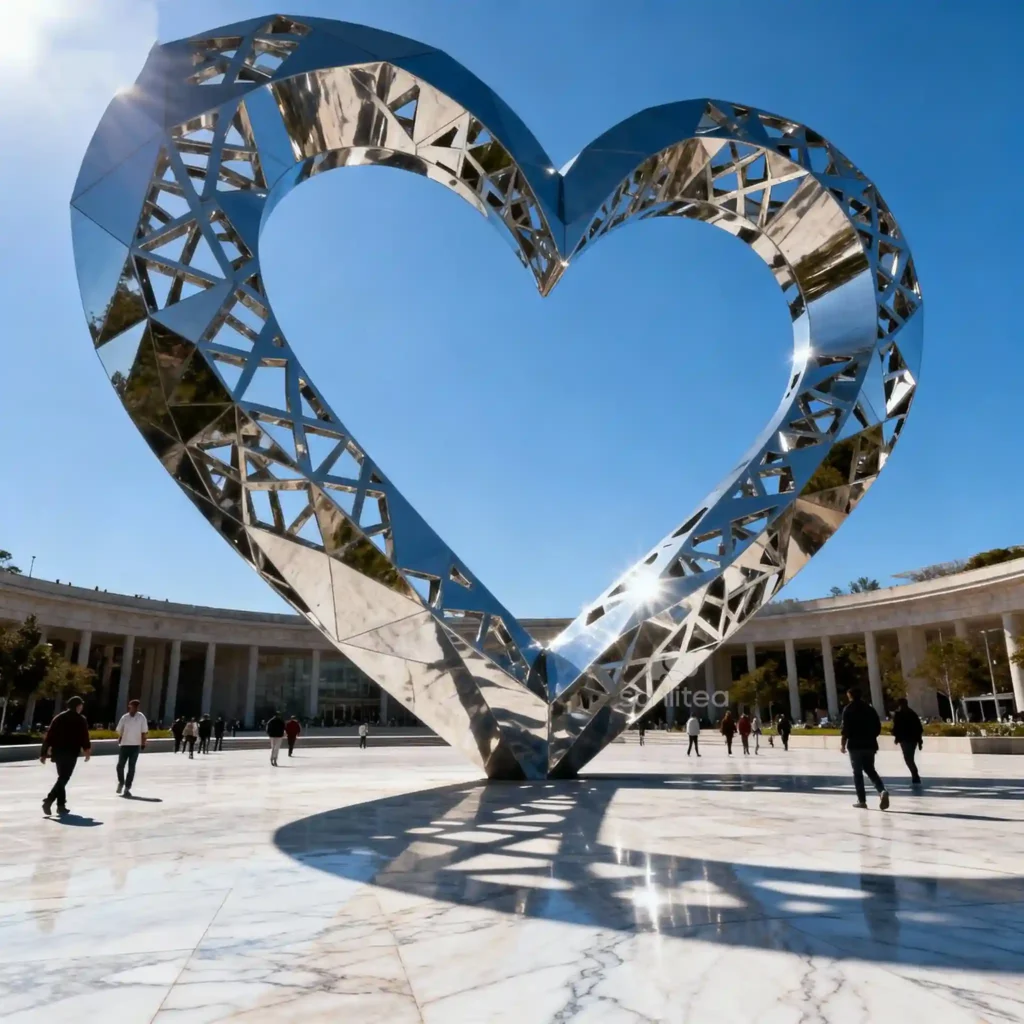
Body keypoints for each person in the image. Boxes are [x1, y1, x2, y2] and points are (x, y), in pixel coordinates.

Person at [40, 696, 92, 816]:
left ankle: (61, 806)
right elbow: (84, 737)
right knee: (64, 778)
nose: (82, 707)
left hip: (58, 753)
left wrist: (43, 753)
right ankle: (49, 800)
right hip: (71, 753)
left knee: (61, 778)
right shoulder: (80, 719)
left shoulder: (59, 718)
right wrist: (87, 750)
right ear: (78, 706)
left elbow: (49, 736)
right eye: (81, 705)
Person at [840, 687, 889, 810]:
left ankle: (861, 800)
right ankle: (882, 790)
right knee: (870, 769)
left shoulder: (848, 710)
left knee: (857, 773)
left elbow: (845, 729)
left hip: (855, 745)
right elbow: (877, 727)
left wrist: (843, 744)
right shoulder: (870, 709)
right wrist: (871, 737)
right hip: (870, 744)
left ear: (850, 696)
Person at [114, 699, 148, 797]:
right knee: (120, 765)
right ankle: (121, 782)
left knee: (131, 767)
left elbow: (144, 731)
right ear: (130, 706)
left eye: (137, 706)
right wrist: (120, 737)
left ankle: (127, 788)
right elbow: (119, 730)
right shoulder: (125, 717)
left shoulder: (141, 717)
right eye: (133, 706)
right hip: (125, 745)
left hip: (135, 746)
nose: (135, 708)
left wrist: (143, 743)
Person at [892, 697, 923, 785]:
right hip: (910, 739)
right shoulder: (912, 713)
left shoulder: (900, 714)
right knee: (909, 758)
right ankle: (914, 774)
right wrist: (919, 741)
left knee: (908, 758)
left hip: (906, 739)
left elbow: (897, 727)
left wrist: (896, 737)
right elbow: (919, 728)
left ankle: (915, 774)